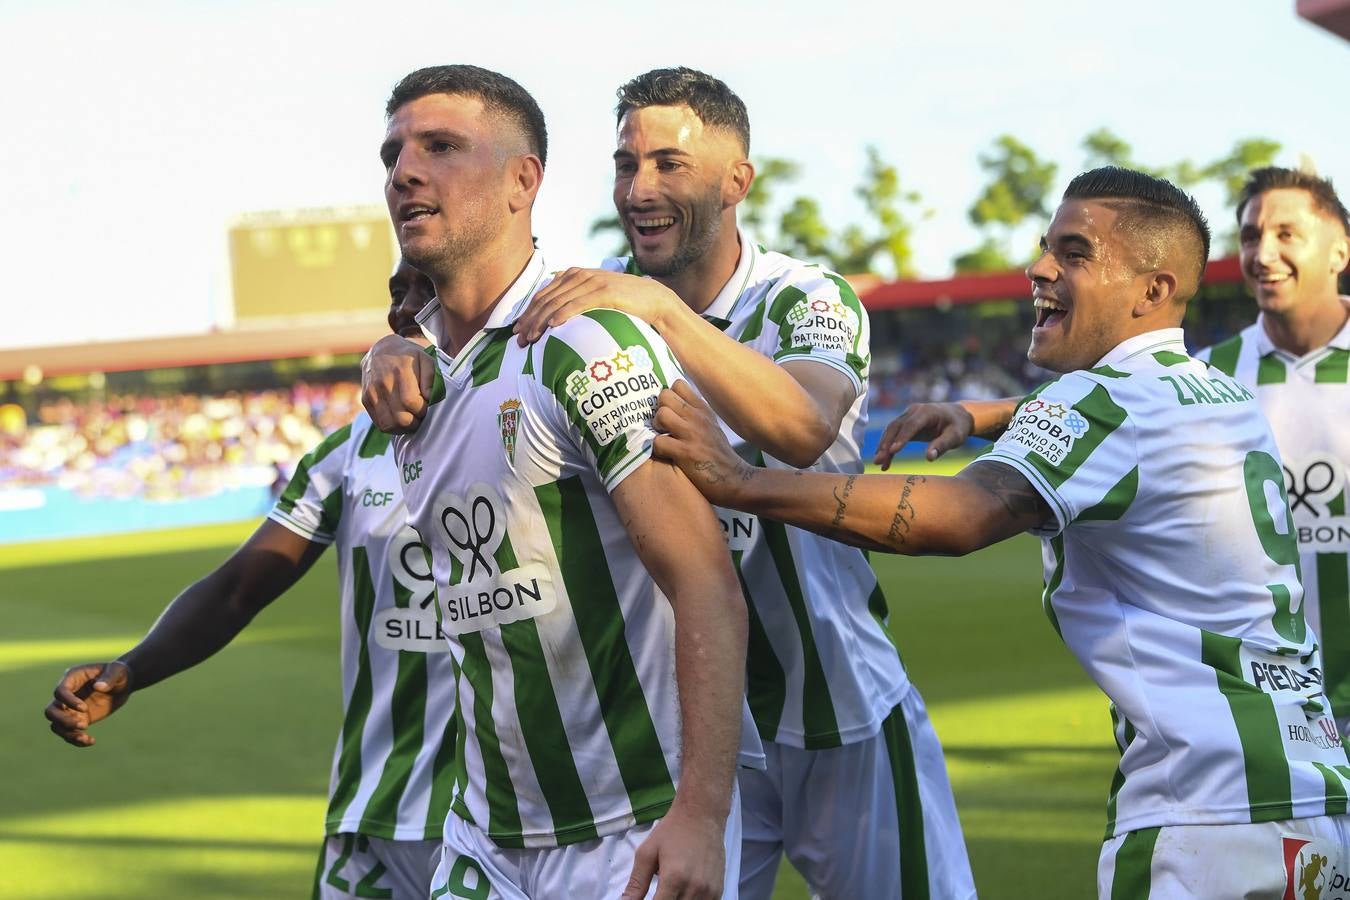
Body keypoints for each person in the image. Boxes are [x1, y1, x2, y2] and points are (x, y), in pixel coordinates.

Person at [653, 167, 1350, 897]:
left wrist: (740, 481)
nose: (1040, 268)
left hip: (1206, 812)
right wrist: (984, 415)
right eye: (1046, 246)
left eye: (1075, 253)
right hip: (1309, 791)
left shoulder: (1110, 402)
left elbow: (960, 517)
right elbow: (1111, 417)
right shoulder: (1223, 389)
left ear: (1153, 289)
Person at [362, 66, 972, 900]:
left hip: (834, 700)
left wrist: (665, 311)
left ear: (736, 181)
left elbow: (800, 428)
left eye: (669, 165)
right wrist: (391, 344)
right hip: (701, 725)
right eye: (625, 165)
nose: (640, 188)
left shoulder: (801, 297)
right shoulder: (596, 303)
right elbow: (486, 318)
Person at [376, 65, 748, 900]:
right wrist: (386, 344)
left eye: (440, 147)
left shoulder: (586, 342)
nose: (405, 172)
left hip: (629, 830)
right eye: (394, 153)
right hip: (483, 835)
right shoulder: (417, 379)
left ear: (522, 181)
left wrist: (700, 815)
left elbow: (705, 580)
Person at [43, 260, 460, 900]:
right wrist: (130, 669)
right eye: (397, 292)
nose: (406, 307)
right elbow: (240, 586)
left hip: (512, 821)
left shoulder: (529, 410)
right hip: (377, 815)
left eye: (426, 290)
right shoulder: (346, 454)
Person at [1196, 168, 1350, 736]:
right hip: (1276, 708)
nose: (1263, 252)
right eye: (1252, 235)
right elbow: (1112, 403)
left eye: (1287, 233)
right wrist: (977, 414)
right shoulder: (1208, 376)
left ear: (1340, 251)